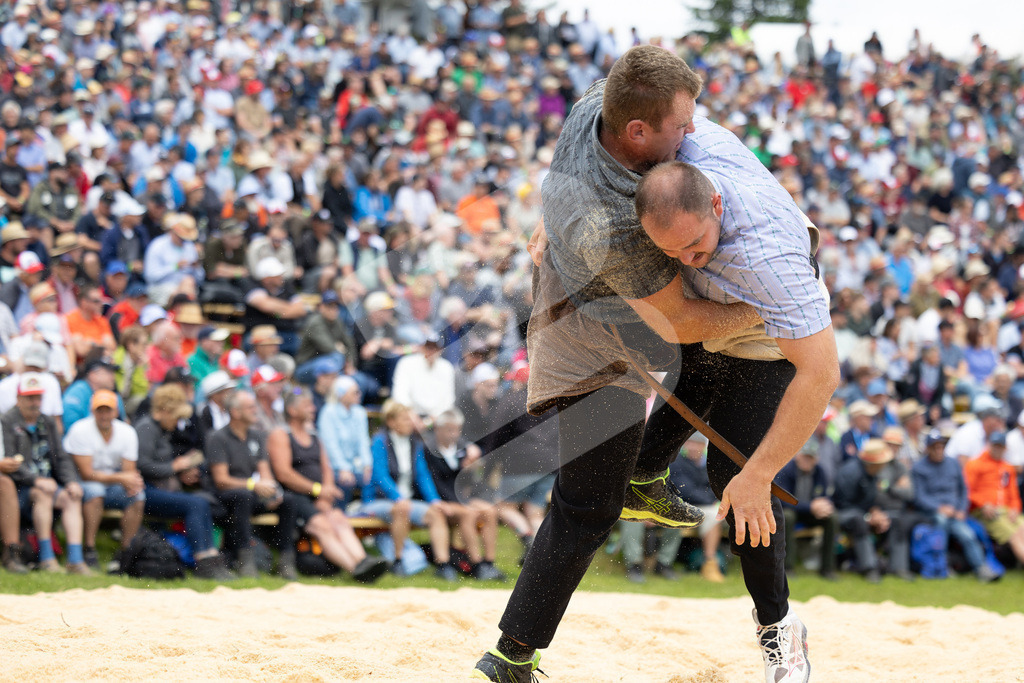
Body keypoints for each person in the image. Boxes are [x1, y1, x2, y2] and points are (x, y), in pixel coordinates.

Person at [267, 389, 388, 583]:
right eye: (307, 405)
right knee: (321, 525)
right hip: (293, 496)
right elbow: (284, 474)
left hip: (318, 495)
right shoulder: (281, 435)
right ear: (292, 410)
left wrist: (326, 493)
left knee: (338, 518)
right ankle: (354, 568)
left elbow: (327, 467)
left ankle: (363, 561)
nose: (313, 408)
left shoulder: (314, 435)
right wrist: (318, 490)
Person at [134, 384, 235, 580]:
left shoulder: (161, 429)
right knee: (195, 503)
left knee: (201, 502)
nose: (178, 422)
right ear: (164, 411)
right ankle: (203, 560)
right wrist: (176, 467)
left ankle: (211, 557)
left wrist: (182, 472)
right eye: (176, 416)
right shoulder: (146, 427)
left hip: (160, 488)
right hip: (145, 491)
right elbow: (142, 465)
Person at [360, 400, 465, 580]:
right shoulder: (380, 441)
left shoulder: (414, 443)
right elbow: (380, 475)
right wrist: (398, 497)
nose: (411, 423)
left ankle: (443, 563)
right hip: (378, 501)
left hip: (404, 501)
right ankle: (398, 560)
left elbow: (423, 476)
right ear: (392, 422)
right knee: (402, 508)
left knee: (435, 513)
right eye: (405, 419)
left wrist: (434, 500)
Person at [2, 373, 91, 574]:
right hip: (20, 488)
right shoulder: (7, 421)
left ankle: (75, 560)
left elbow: (61, 457)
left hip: (48, 483)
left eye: (38, 397)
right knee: (43, 494)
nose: (35, 402)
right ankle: (47, 558)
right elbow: (10, 461)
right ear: (18, 399)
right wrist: (36, 480)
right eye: (29, 397)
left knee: (72, 496)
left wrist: (71, 481)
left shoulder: (48, 422)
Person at [206, 390, 300, 579]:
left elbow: (265, 473)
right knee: (244, 495)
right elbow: (221, 480)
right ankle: (245, 561)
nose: (255, 410)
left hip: (251, 495)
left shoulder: (257, 436)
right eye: (250, 407)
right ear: (235, 412)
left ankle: (285, 562)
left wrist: (272, 492)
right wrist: (253, 485)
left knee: (288, 500)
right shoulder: (218, 437)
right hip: (225, 497)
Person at [422, 408, 507, 581]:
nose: (455, 434)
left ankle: (489, 563)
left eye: (457, 430)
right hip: (442, 499)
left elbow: (471, 482)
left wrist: (472, 469)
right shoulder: (429, 450)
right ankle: (476, 565)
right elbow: (434, 481)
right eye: (450, 430)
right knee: (469, 513)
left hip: (462, 498)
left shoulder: (463, 448)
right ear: (438, 429)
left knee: (490, 512)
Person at [64, 390, 145, 569]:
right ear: (92, 412)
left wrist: (130, 482)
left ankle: (126, 551)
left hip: (113, 482)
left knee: (137, 495)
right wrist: (122, 477)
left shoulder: (127, 432)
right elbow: (86, 473)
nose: (104, 415)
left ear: (116, 412)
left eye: (108, 410)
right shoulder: (80, 429)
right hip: (83, 482)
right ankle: (90, 547)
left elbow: (129, 474)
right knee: (95, 491)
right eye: (100, 410)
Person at [912, 429, 1000, 582]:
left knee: (967, 534)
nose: (939, 451)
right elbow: (919, 497)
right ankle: (942, 566)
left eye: (941, 447)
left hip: (955, 513)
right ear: (928, 449)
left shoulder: (953, 464)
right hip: (932, 513)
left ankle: (981, 569)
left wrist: (961, 509)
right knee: (941, 521)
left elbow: (963, 490)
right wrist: (938, 507)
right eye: (935, 447)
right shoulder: (919, 468)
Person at [832, 439, 914, 583]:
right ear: (874, 463)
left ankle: (899, 567)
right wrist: (868, 517)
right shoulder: (850, 472)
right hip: (843, 513)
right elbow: (844, 503)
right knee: (859, 521)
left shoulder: (873, 474)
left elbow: (871, 500)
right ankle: (869, 568)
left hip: (864, 512)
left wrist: (877, 513)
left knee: (896, 520)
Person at [777, 439, 839, 580]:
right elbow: (783, 499)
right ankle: (788, 567)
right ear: (798, 456)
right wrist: (810, 506)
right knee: (787, 516)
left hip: (811, 512)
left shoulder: (820, 472)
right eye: (805, 456)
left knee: (832, 517)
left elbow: (824, 496)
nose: (807, 461)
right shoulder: (786, 470)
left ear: (816, 459)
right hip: (792, 510)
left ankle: (828, 568)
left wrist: (825, 506)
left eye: (811, 458)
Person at [964, 430, 1024, 567]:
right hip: (984, 511)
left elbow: (1013, 494)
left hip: (1006, 511)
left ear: (1005, 448)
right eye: (995, 445)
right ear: (989, 445)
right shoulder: (975, 464)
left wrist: (1015, 508)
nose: (997, 449)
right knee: (1013, 535)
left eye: (1000, 446)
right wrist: (983, 504)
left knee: (1022, 529)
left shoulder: (1007, 467)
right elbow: (967, 492)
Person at [318, 376, 373, 504]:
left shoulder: (359, 412)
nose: (359, 395)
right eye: (354, 392)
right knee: (346, 481)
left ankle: (368, 510)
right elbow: (330, 445)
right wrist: (343, 468)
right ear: (341, 394)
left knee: (372, 479)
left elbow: (363, 441)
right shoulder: (328, 412)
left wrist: (367, 465)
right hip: (334, 467)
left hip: (355, 466)